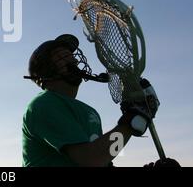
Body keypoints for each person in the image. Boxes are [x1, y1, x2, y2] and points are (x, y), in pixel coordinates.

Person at [22, 34, 177, 167]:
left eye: (72, 56)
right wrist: (132, 122)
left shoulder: (89, 111)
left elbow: (103, 160)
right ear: (45, 70)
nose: (74, 61)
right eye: (62, 56)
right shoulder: (43, 105)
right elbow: (91, 159)